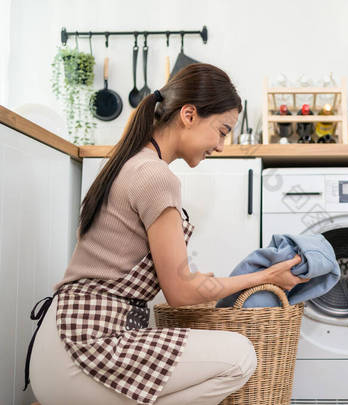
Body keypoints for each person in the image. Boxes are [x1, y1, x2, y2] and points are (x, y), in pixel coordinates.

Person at [24, 63, 310, 405]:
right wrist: (266, 277)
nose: (220, 145)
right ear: (188, 115)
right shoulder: (155, 175)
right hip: (84, 348)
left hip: (62, 339)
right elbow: (181, 291)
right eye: (221, 130)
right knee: (240, 356)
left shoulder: (128, 161)